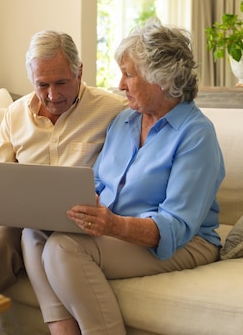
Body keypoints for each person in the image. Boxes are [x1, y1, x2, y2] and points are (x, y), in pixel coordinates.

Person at [22, 22, 225, 335]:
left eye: (129, 74)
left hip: (183, 241)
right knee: (33, 233)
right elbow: (101, 185)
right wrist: (70, 207)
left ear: (163, 78)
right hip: (119, 228)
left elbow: (177, 226)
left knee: (63, 248)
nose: (120, 84)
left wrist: (113, 225)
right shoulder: (124, 121)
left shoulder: (196, 134)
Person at [0, 30, 127, 293]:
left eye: (61, 83)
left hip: (62, 221)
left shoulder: (112, 110)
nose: (52, 95)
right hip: (15, 207)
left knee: (0, 240)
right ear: (31, 79)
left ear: (79, 73)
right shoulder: (16, 113)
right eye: (42, 85)